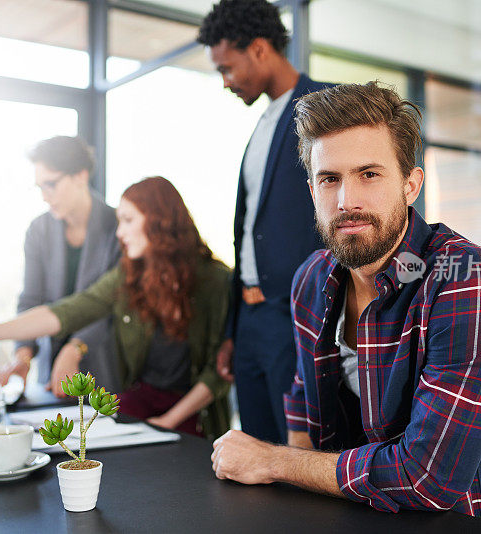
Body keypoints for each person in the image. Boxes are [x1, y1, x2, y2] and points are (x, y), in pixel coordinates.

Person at [210, 83, 481, 527]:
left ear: (410, 184)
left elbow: (427, 480)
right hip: (349, 513)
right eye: (330, 179)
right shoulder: (312, 278)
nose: (347, 202)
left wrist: (273, 462)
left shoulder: (470, 282)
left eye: (370, 174)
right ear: (312, 189)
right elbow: (304, 418)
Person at [0, 177, 232, 439]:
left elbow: (219, 374)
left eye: (128, 220)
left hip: (191, 414)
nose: (119, 233)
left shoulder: (216, 281)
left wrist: (167, 422)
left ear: (162, 221)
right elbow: (66, 311)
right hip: (140, 403)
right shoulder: (129, 275)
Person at [197, 0, 333, 443]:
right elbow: (250, 231)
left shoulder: (327, 108)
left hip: (297, 312)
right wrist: (233, 331)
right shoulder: (261, 125)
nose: (225, 82)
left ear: (258, 49)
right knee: (255, 453)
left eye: (228, 68)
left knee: (300, 457)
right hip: (252, 320)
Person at [0, 136, 121, 397]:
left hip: (106, 369)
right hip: (52, 376)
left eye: (50, 185)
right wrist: (24, 355)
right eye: (39, 187)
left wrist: (76, 347)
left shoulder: (118, 227)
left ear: (80, 176)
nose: (44, 197)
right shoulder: (39, 229)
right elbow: (31, 298)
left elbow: (111, 307)